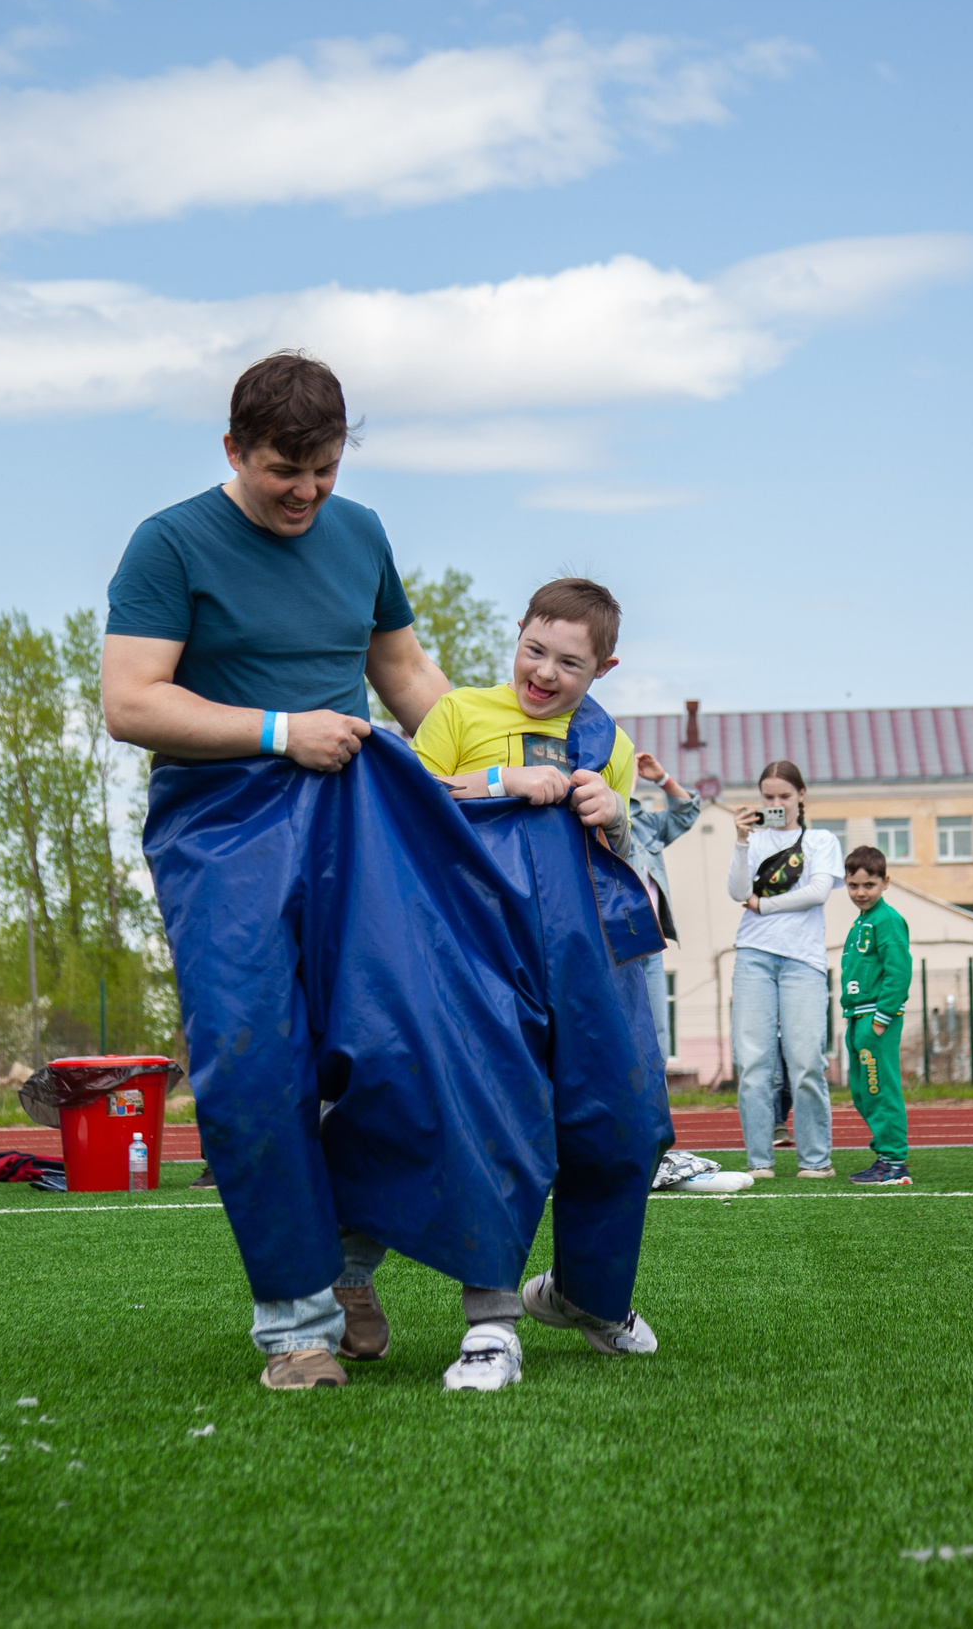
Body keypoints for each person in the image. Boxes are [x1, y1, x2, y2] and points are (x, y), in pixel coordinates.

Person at [102, 352, 450, 1390]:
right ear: (232, 452)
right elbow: (130, 701)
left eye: (324, 472)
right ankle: (294, 1324)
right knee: (254, 1062)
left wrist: (490, 773)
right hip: (221, 826)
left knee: (402, 1044)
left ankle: (346, 1259)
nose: (304, 494)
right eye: (280, 473)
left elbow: (403, 671)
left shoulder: (361, 532)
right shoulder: (167, 543)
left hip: (358, 810)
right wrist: (277, 730)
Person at [393, 577, 658, 1389]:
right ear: (517, 634)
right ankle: (492, 1324)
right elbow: (402, 801)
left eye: (569, 663)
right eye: (534, 650)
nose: (542, 673)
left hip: (585, 967)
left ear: (603, 668)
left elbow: (627, 855)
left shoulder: (604, 740)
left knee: (625, 1121)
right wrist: (504, 783)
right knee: (495, 1122)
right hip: (476, 955)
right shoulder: (461, 714)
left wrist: (614, 810)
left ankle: (587, 1294)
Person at [726, 761, 842, 1180]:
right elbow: (738, 891)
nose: (776, 804)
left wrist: (764, 904)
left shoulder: (822, 840)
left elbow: (818, 891)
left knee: (806, 1060)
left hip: (803, 959)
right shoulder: (754, 841)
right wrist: (741, 841)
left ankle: (816, 1161)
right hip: (753, 955)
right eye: (768, 797)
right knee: (754, 1063)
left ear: (801, 795)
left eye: (784, 796)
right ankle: (760, 1161)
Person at [836, 846, 912, 1185]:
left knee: (881, 1089)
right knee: (863, 1092)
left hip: (875, 1019)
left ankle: (894, 1164)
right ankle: (884, 1156)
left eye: (868, 885)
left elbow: (899, 971)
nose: (860, 892)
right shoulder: (861, 921)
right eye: (853, 885)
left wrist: (882, 1018)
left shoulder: (888, 920)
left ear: (885, 883)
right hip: (856, 1016)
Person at [623, 750, 701, 1033]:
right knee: (625, 1032)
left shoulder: (645, 824)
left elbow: (686, 813)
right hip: (616, 941)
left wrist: (663, 779)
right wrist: (620, 790)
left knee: (657, 1033)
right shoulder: (593, 819)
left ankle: (658, 1078)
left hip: (651, 941)